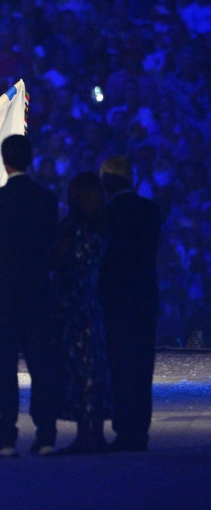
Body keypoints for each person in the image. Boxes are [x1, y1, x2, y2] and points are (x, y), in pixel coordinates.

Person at [0, 134, 60, 457]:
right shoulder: (47, 199)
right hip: (38, 293)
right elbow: (53, 245)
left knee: (5, 369)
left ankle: (7, 435)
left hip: (4, 296)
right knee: (42, 365)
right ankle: (47, 435)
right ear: (30, 159)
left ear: (5, 161)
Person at [98, 156, 161, 452]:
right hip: (145, 297)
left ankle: (125, 430)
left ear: (106, 183)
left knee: (120, 366)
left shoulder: (105, 214)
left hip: (115, 299)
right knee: (142, 365)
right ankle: (141, 431)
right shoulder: (151, 211)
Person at [50, 172, 112, 454]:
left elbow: (57, 259)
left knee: (79, 367)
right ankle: (96, 432)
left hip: (73, 302)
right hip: (93, 299)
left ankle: (85, 434)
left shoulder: (73, 226)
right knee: (95, 365)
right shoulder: (101, 226)